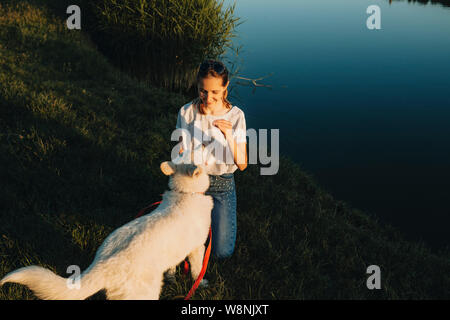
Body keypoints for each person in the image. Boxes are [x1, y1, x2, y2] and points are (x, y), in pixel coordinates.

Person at [174, 59, 248, 259]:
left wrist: (229, 136)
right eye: (203, 91)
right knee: (179, 240)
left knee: (222, 252)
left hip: (222, 183)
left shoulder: (236, 116)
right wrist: (181, 152)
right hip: (194, 181)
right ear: (197, 86)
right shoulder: (187, 112)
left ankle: (207, 225)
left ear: (225, 88)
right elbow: (180, 150)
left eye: (215, 92)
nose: (208, 98)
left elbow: (242, 164)